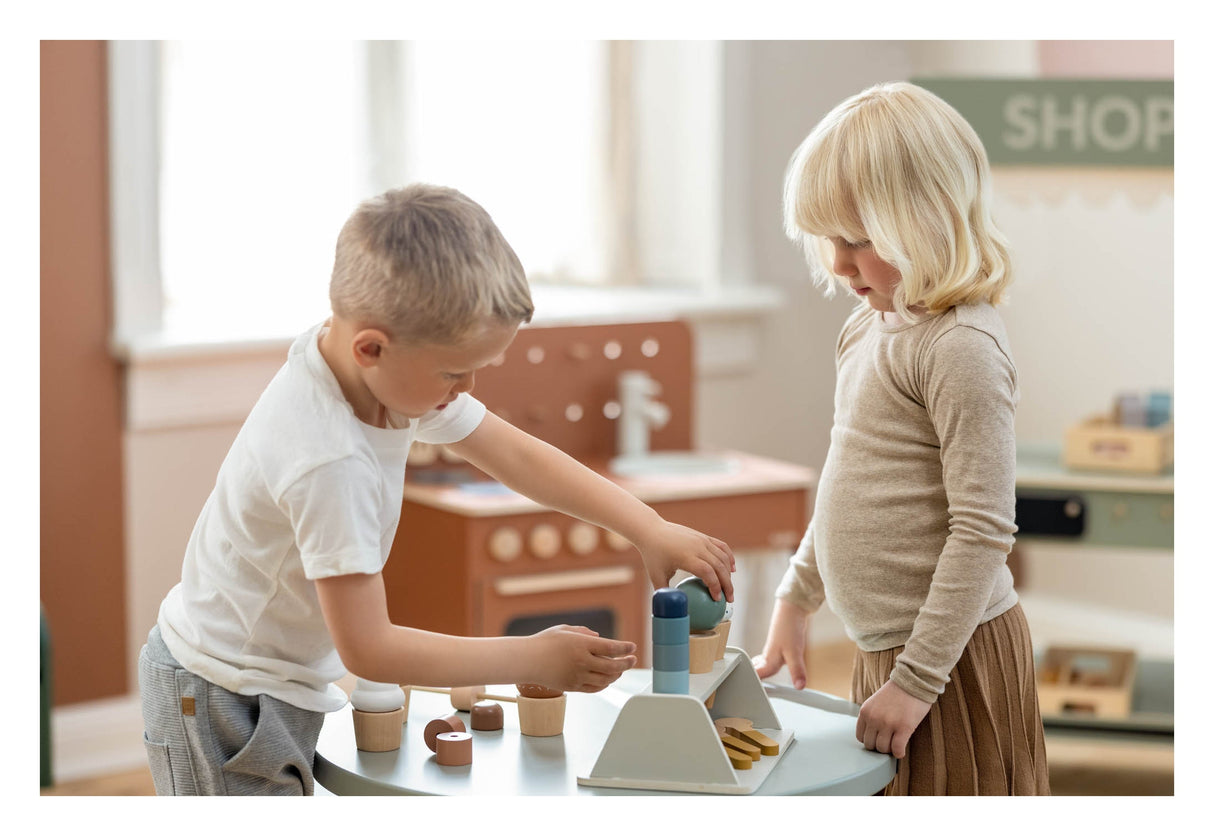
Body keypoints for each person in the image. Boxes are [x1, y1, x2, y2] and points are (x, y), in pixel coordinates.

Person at [138, 183, 736, 795]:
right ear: (371, 346)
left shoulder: (364, 371)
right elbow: (370, 649)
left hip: (267, 685)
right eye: (454, 371)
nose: (468, 385)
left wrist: (647, 527)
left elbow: (515, 454)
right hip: (220, 697)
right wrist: (530, 659)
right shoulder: (328, 459)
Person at [752, 82, 1049, 795]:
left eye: (858, 240)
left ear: (929, 223)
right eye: (827, 239)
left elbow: (983, 529)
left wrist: (916, 681)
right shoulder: (866, 329)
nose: (839, 263)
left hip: (953, 657)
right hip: (888, 648)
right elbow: (847, 480)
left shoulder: (961, 348)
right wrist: (797, 597)